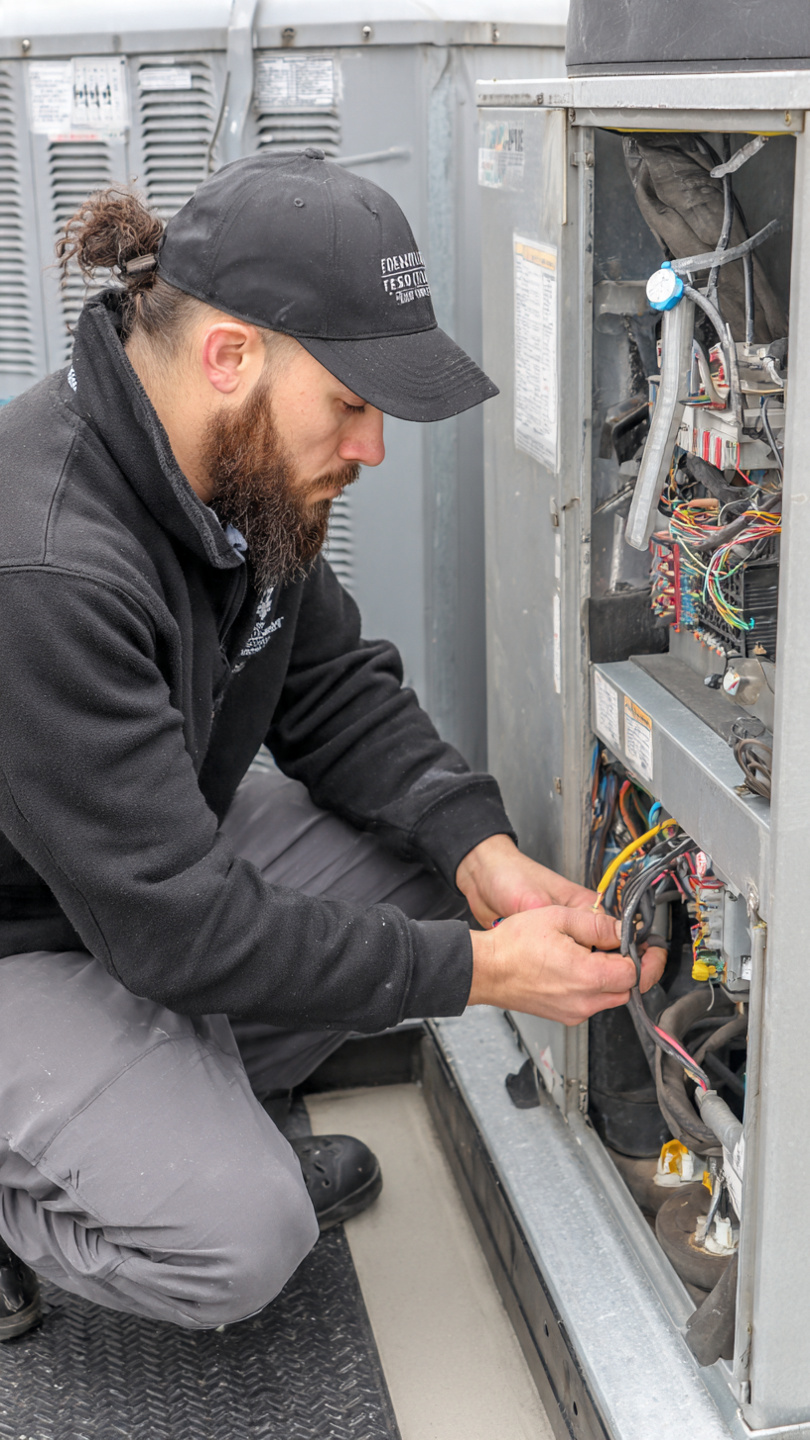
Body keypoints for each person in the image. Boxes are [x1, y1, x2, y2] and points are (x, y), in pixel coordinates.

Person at [0, 150, 664, 1338]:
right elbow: (175, 927)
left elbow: (332, 691)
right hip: (23, 934)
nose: (372, 448)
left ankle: (164, 1115)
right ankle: (62, 1179)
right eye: (351, 404)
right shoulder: (47, 565)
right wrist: (480, 976)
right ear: (229, 356)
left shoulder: (237, 478)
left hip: (125, 881)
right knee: (242, 1239)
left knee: (440, 888)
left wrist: (481, 853)